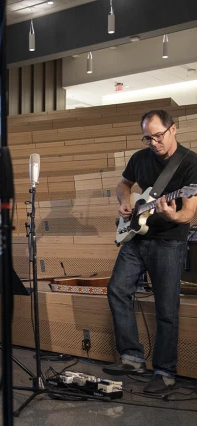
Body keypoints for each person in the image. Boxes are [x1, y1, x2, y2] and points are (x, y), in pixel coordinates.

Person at [103, 110, 197, 393]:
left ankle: (165, 373)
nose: (154, 142)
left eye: (159, 136)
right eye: (148, 138)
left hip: (168, 241)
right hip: (136, 237)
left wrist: (171, 216)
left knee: (166, 308)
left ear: (173, 129)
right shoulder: (139, 158)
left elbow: (188, 214)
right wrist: (124, 201)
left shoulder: (190, 164)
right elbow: (123, 184)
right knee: (117, 289)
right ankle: (132, 357)